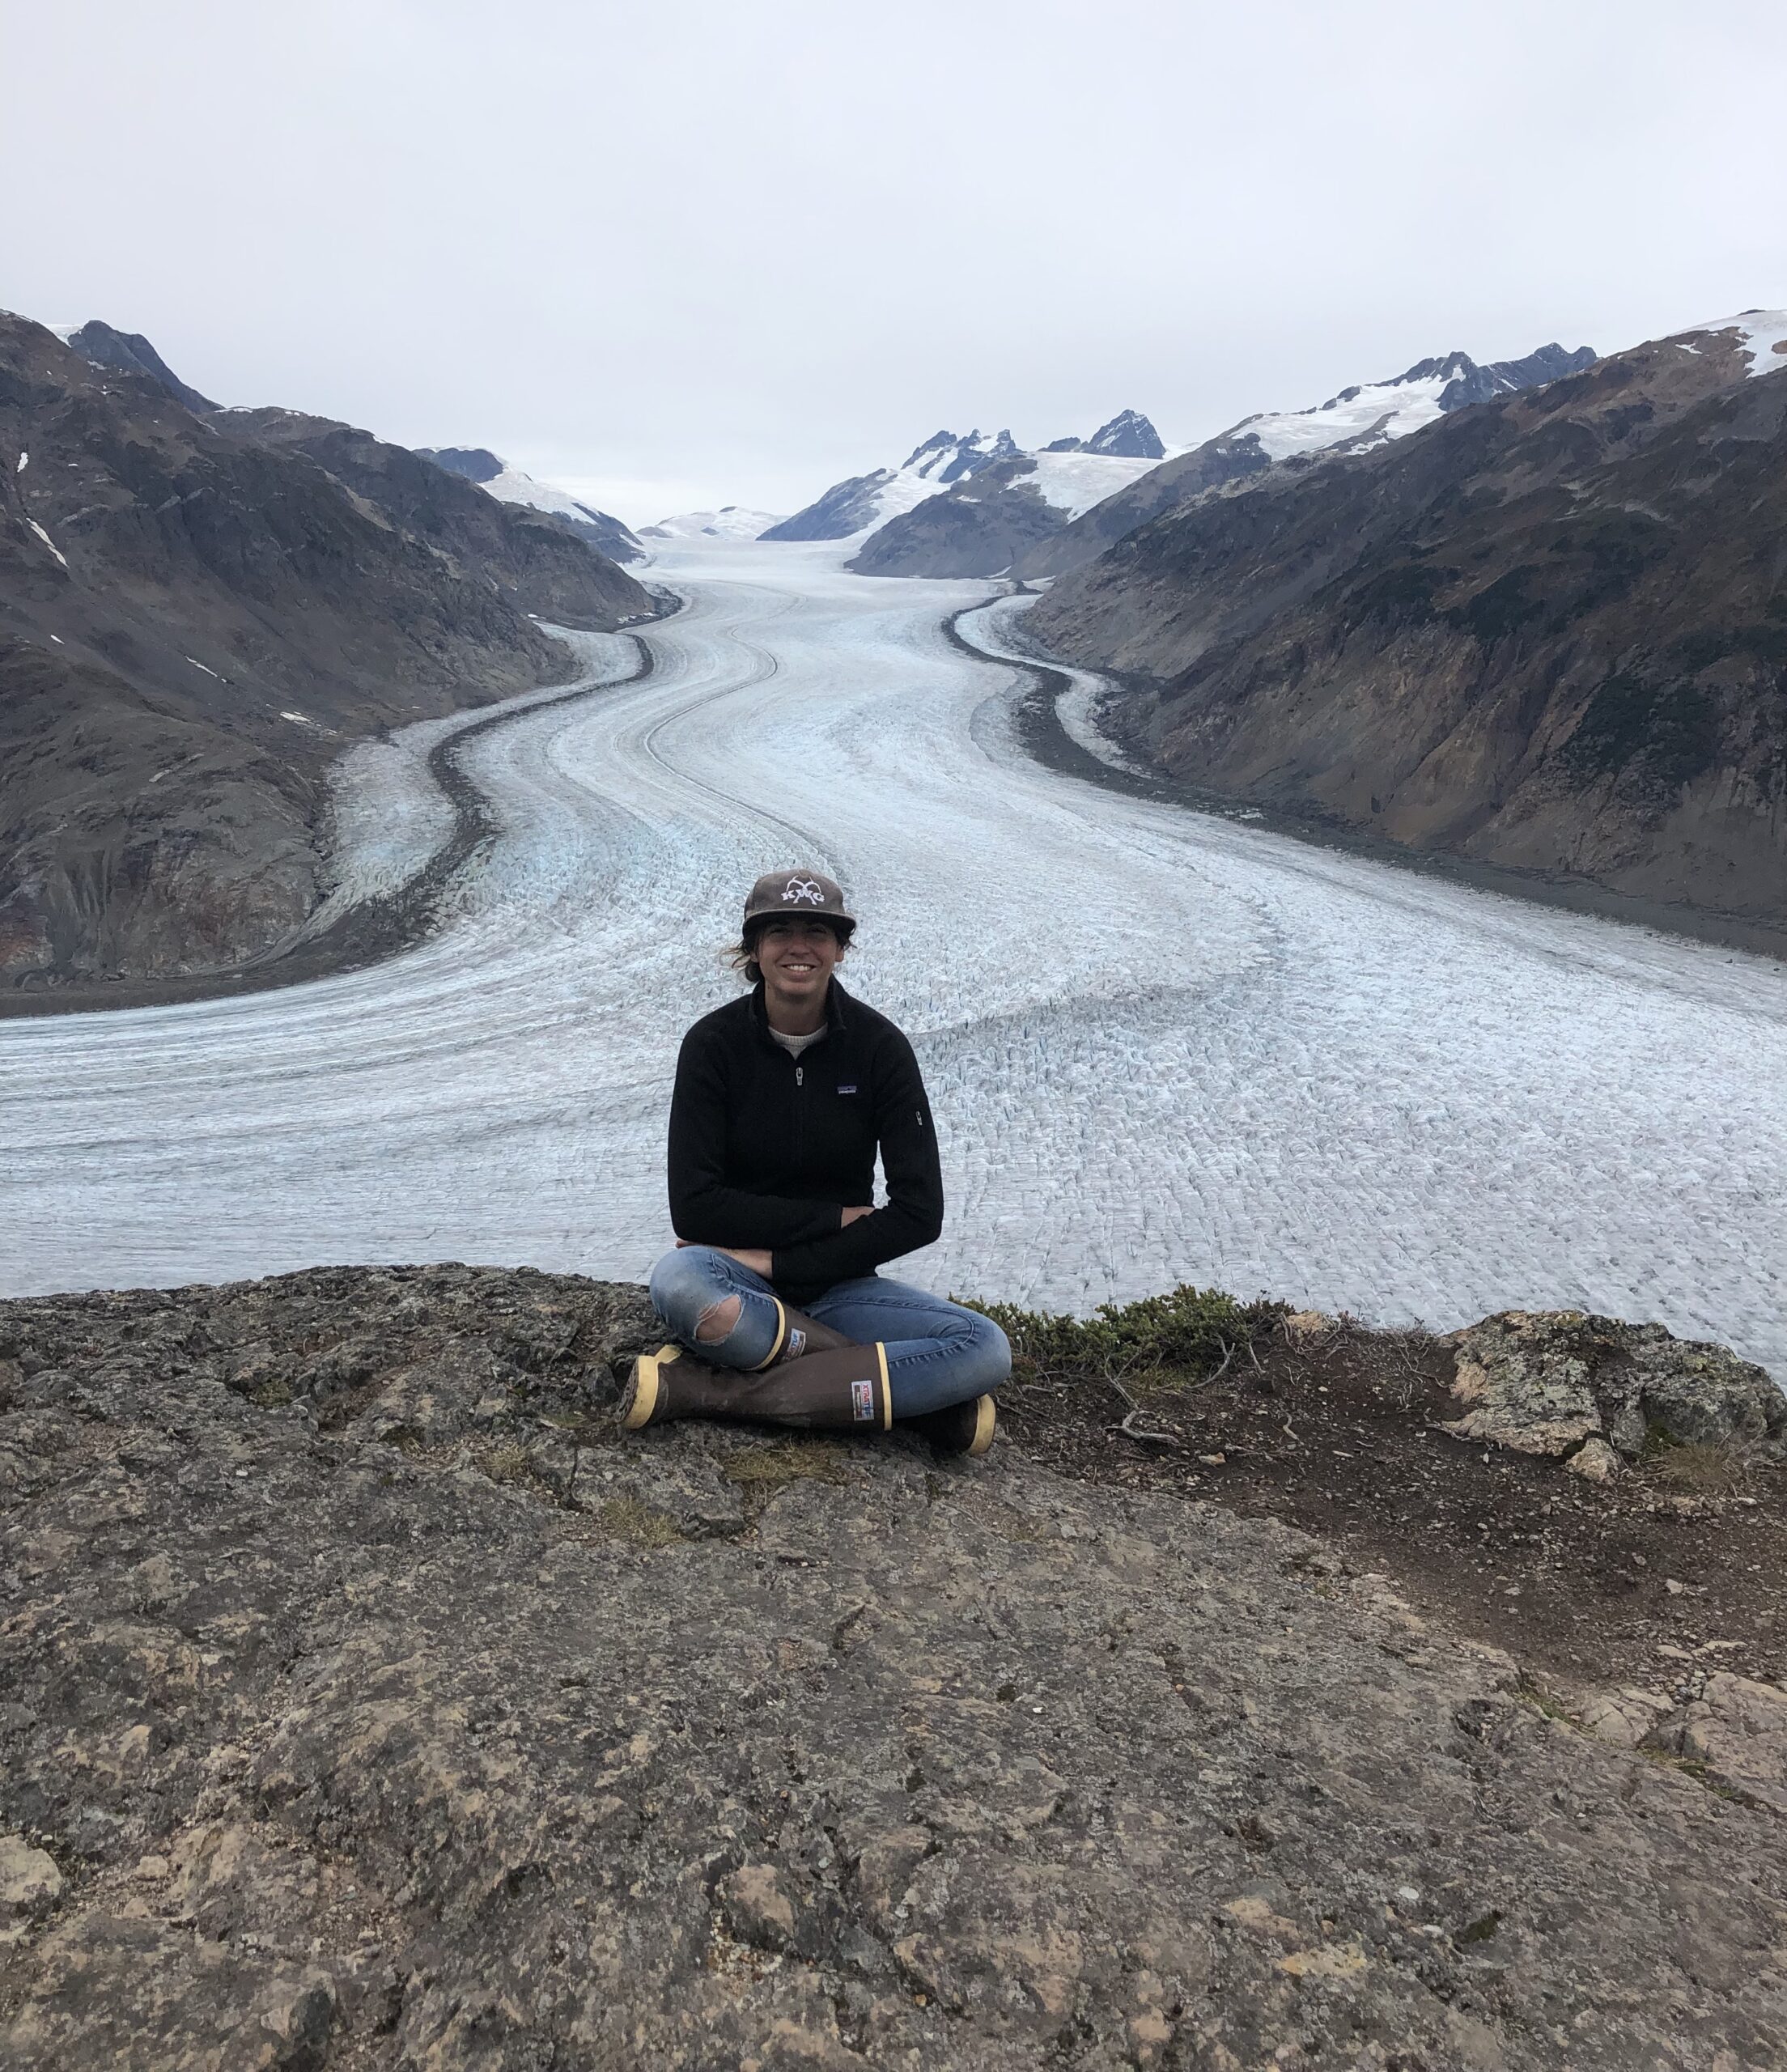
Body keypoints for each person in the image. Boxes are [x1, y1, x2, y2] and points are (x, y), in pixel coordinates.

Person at [622, 868, 1009, 1455]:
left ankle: (708, 1393)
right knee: (681, 1285)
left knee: (983, 1347)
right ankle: (904, 1401)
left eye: (818, 931)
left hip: (840, 1286)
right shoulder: (713, 1045)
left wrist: (775, 1261)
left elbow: (919, 1212)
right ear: (753, 948)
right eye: (779, 930)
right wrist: (832, 1220)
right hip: (734, 1277)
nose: (798, 947)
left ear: (840, 948)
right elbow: (695, 1208)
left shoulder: (879, 1049)